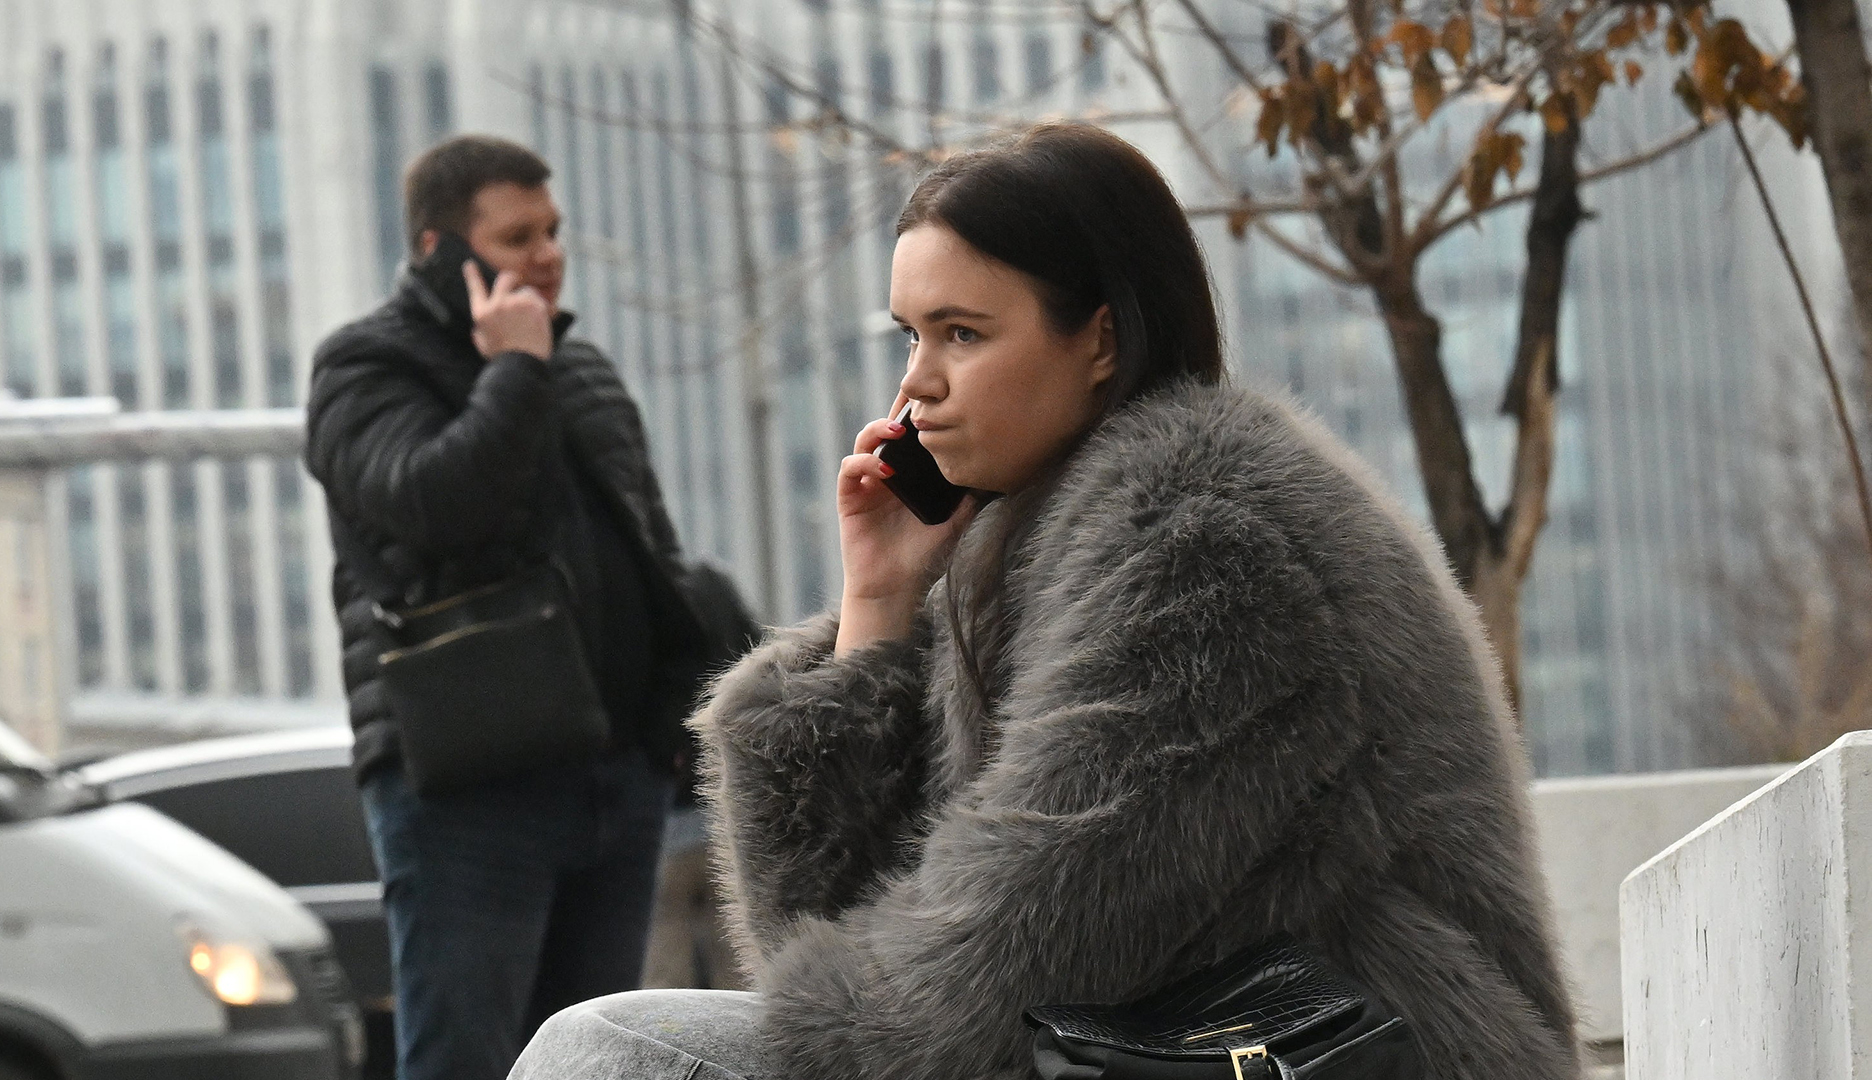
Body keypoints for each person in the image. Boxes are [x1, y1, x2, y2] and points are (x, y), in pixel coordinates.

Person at [511, 123, 1580, 1080]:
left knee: (610, 1051)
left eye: (963, 335)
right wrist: (878, 605)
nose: (916, 385)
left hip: (1339, 1058)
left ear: (1101, 341)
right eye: (910, 335)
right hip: (1147, 1051)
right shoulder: (1022, 541)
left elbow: (964, 998)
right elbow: (860, 949)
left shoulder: (1211, 543)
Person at [305, 135, 715, 1080]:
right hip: (469, 787)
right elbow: (435, 507)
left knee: (594, 1062)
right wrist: (515, 371)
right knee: (464, 1060)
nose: (547, 255)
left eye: (552, 231)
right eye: (517, 237)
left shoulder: (581, 368)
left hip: (615, 781)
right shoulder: (365, 368)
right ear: (439, 249)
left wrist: (664, 730)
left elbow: (650, 554)